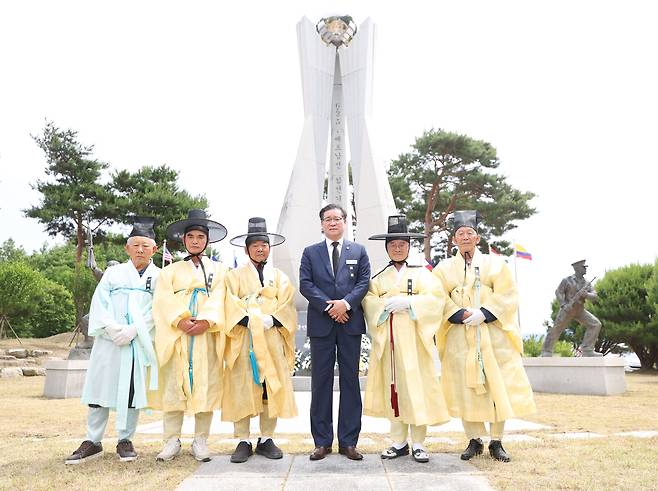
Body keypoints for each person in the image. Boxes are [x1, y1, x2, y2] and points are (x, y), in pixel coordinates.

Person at [433, 210, 535, 463]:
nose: (465, 237)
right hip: (460, 334)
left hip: (493, 335)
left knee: (497, 386)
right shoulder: (444, 268)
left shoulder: (495, 264)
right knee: (465, 387)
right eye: (460, 234)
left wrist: (485, 313)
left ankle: (497, 440)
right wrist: (459, 314)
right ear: (454, 239)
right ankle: (474, 439)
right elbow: (436, 296)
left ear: (477, 238)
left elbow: (508, 294)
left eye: (470, 233)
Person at [66, 217, 160, 464]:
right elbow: (99, 303)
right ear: (127, 248)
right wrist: (112, 328)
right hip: (109, 341)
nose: (140, 250)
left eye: (145, 246)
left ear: (154, 249)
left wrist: (134, 330)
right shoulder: (113, 274)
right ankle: (93, 440)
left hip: (137, 342)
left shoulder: (159, 277)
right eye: (135, 245)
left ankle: (125, 440)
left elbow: (158, 309)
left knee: (131, 391)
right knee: (99, 388)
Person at [362, 215, 450, 463]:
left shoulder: (423, 274)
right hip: (389, 342)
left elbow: (436, 300)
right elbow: (369, 302)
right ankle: (398, 442)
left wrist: (409, 303)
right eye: (393, 244)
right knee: (394, 388)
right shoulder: (379, 278)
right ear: (387, 248)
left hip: (415, 342)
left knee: (417, 389)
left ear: (409, 246)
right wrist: (384, 306)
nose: (398, 248)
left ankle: (419, 443)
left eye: (402, 244)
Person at [151, 209, 228, 462]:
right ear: (183, 239)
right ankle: (171, 440)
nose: (195, 241)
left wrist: (206, 321)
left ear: (207, 240)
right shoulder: (170, 271)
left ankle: (201, 440)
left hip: (207, 335)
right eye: (191, 236)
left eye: (200, 237)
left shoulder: (220, 271)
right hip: (178, 335)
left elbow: (222, 298)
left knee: (206, 386)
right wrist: (180, 320)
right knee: (174, 386)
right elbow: (162, 299)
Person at [223, 217, 298, 463]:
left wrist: (273, 319)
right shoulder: (233, 276)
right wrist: (248, 320)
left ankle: (266, 438)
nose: (260, 249)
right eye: (254, 245)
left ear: (269, 248)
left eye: (264, 245)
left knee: (269, 387)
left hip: (271, 337)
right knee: (242, 386)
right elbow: (228, 302)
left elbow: (288, 304)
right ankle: (243, 440)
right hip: (245, 337)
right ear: (247, 250)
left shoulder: (279, 276)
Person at [299, 203, 371, 461]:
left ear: (345, 221)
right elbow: (305, 284)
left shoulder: (359, 251)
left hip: (350, 323)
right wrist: (330, 307)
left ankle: (349, 442)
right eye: (327, 219)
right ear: (321, 224)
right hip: (322, 324)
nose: (332, 222)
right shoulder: (310, 252)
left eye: (337, 218)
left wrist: (346, 304)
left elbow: (363, 282)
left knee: (350, 382)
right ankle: (322, 442)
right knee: (321, 383)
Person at [541, 259, 602, 357]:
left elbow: (595, 295)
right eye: (583, 267)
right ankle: (546, 351)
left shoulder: (587, 282)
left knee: (595, 324)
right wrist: (563, 304)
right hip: (567, 309)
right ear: (577, 268)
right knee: (557, 329)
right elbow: (558, 292)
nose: (585, 269)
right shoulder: (567, 280)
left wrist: (587, 295)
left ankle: (587, 350)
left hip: (580, 310)